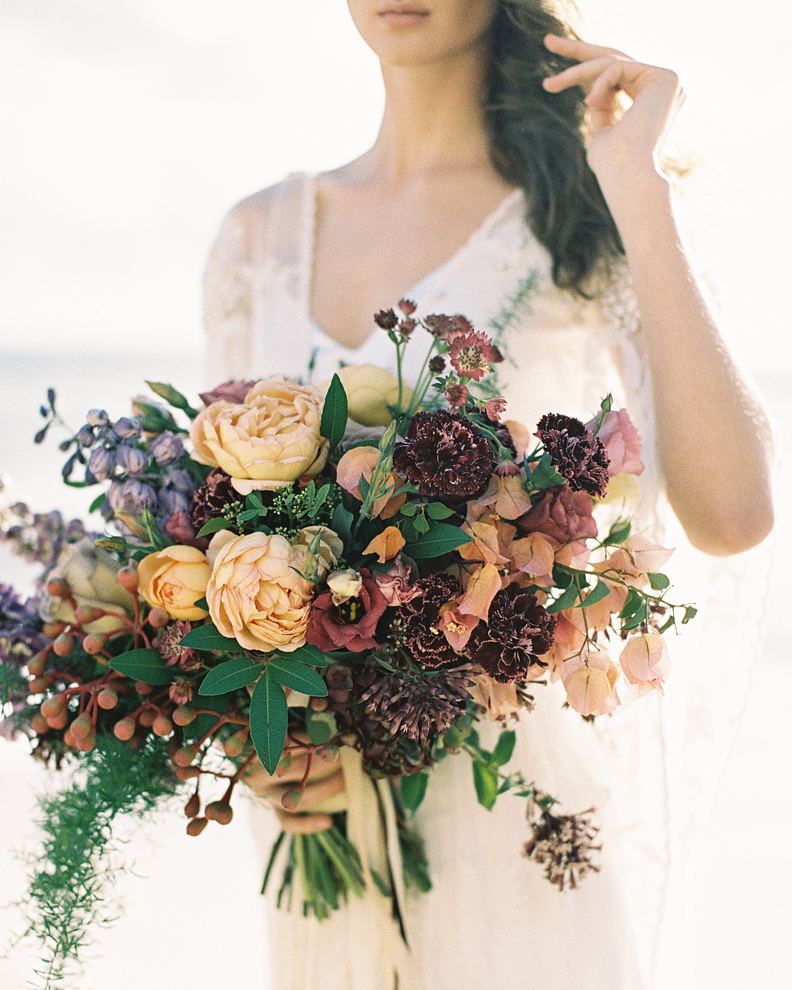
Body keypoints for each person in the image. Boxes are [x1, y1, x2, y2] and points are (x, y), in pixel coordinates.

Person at [201, 2, 775, 988]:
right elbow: (210, 544)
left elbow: (735, 515)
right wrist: (259, 747)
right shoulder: (258, 238)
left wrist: (636, 187)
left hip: (521, 824)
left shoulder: (580, 217)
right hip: (322, 832)